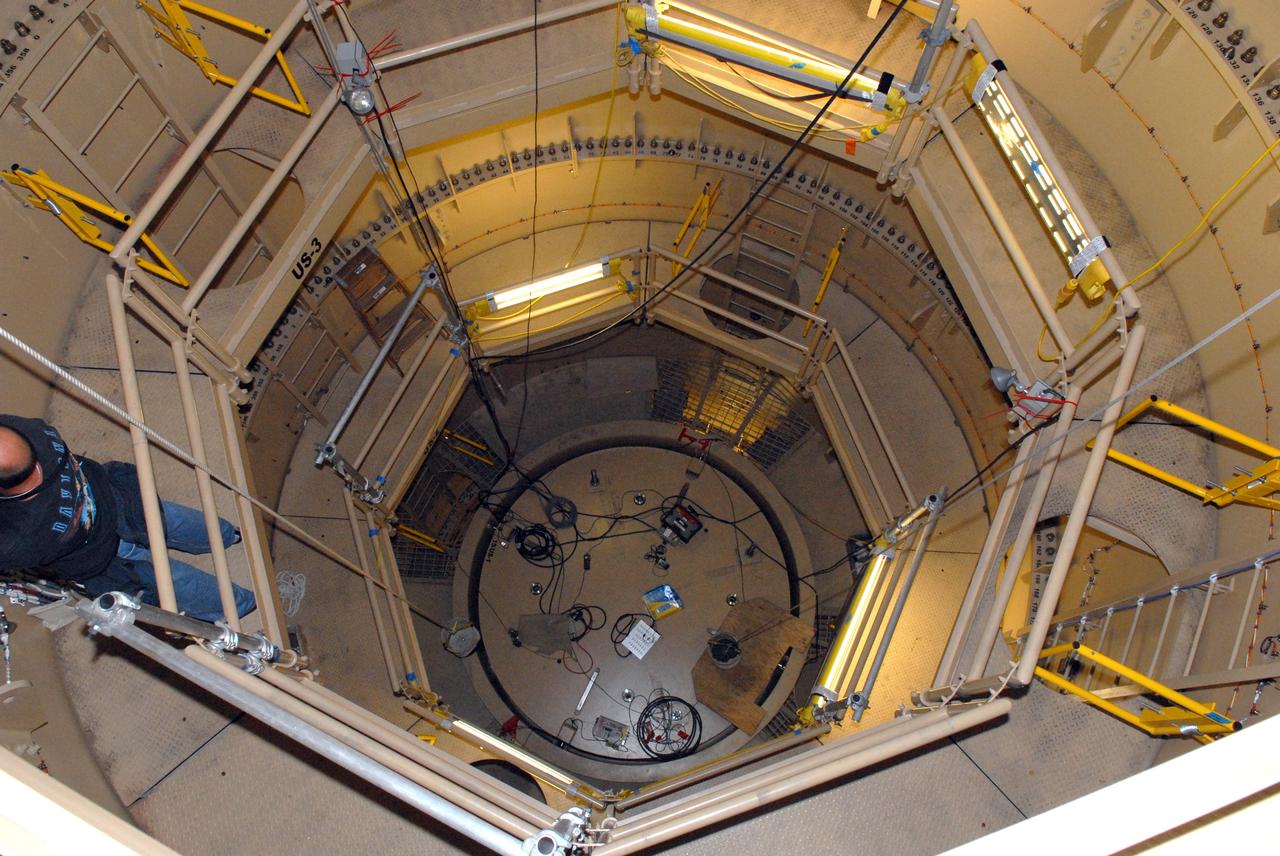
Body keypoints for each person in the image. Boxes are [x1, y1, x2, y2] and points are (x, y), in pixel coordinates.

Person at [0, 414, 255, 622]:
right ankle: (228, 535)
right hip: (117, 494)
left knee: (172, 579)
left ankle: (240, 605)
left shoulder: (17, 540)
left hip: (107, 553)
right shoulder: (27, 431)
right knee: (171, 520)